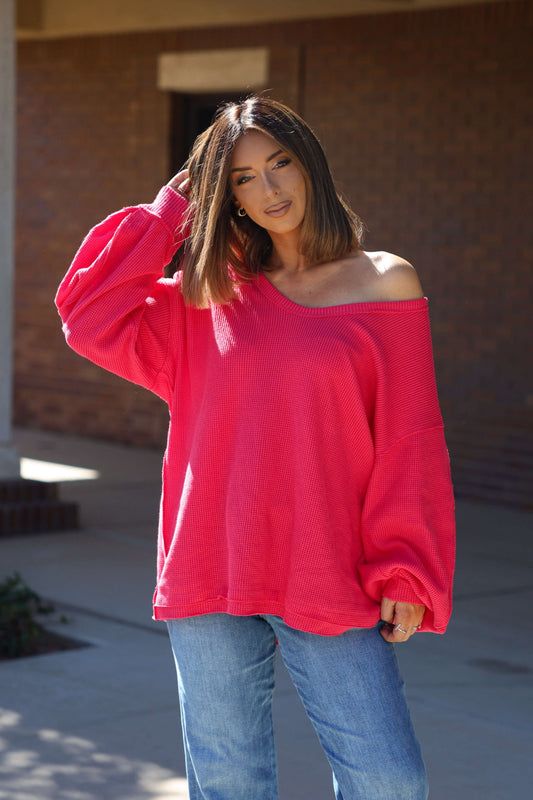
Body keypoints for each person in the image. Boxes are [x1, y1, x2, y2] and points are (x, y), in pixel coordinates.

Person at [56, 96, 455, 800]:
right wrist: (172, 210)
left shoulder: (385, 280)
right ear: (225, 195)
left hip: (326, 564)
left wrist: (405, 567)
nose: (269, 190)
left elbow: (408, 440)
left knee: (389, 780)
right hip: (210, 563)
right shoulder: (208, 293)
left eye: (280, 164)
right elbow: (88, 314)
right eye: (241, 178)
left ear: (311, 166)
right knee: (229, 784)